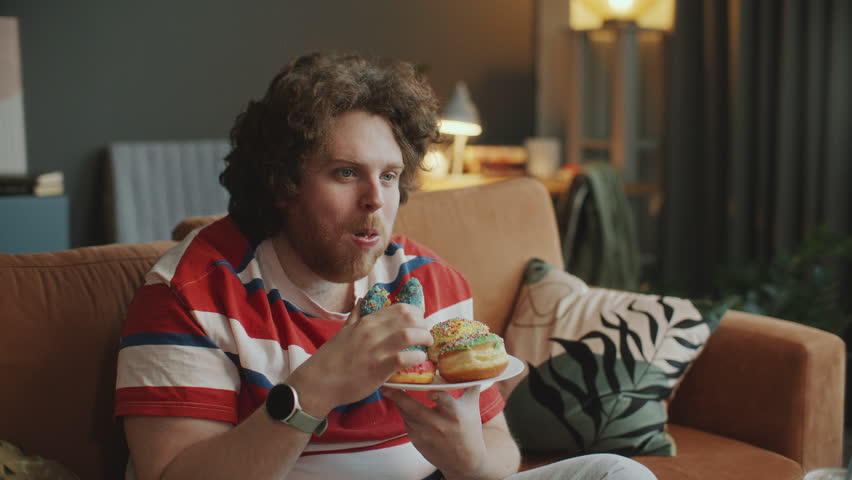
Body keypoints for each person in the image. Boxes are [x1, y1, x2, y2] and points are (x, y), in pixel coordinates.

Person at [114, 52, 656, 480]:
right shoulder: (191, 292)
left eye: (391, 176)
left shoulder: (426, 279)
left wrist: (469, 459)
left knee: (618, 472)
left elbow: (499, 450)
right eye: (347, 173)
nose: (376, 200)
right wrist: (317, 387)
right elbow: (174, 473)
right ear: (283, 183)